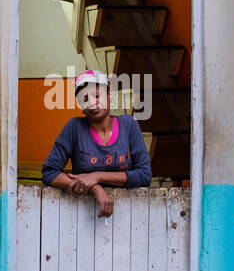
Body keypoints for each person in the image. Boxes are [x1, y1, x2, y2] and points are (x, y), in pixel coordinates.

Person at [40, 69, 152, 215]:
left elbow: (144, 175)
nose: (92, 103)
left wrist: (97, 176)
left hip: (129, 214)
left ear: (109, 96)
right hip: (82, 215)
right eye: (85, 99)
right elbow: (49, 173)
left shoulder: (128, 125)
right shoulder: (74, 127)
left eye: (97, 95)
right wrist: (94, 187)